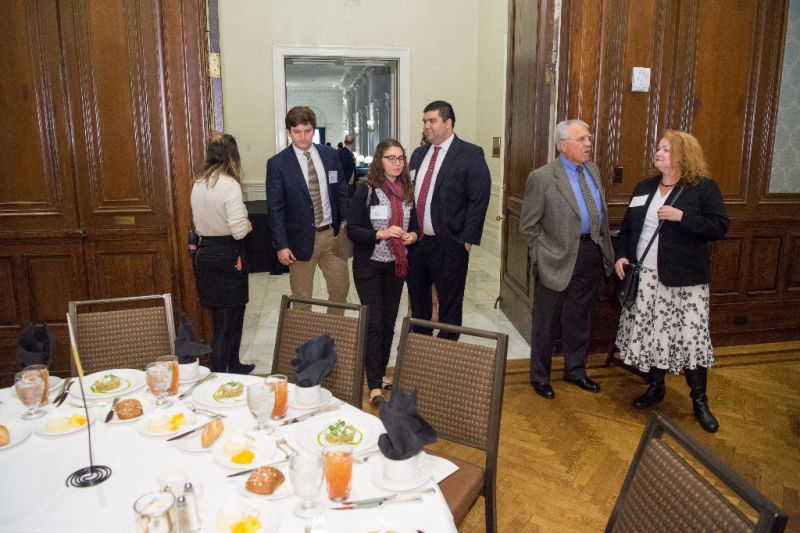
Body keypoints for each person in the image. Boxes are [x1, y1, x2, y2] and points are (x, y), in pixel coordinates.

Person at [615, 130, 728, 432]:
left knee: (690, 339)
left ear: (683, 155)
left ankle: (700, 401)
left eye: (666, 149)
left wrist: (682, 217)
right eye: (658, 148)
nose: (659, 153)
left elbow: (719, 227)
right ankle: (656, 386)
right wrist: (621, 256)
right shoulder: (644, 187)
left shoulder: (702, 188)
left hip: (684, 283)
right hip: (646, 277)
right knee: (654, 334)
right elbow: (627, 229)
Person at [520, 119, 614, 399]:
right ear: (563, 145)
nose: (588, 144)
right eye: (581, 139)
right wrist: (542, 255)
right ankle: (540, 376)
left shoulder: (593, 171)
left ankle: (575, 370)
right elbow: (528, 226)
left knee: (580, 317)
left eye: (589, 138)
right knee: (546, 321)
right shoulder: (542, 177)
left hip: (590, 253)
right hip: (555, 258)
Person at [407, 100, 491, 339]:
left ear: (448, 122)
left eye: (432, 121)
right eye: (424, 121)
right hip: (418, 243)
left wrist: (467, 240)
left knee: (450, 305)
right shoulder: (419, 154)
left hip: (450, 244)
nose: (426, 126)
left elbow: (479, 199)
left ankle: (445, 354)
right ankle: (421, 347)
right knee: (419, 301)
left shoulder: (470, 154)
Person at [347, 139, 419, 404]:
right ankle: (374, 384)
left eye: (400, 158)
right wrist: (381, 233)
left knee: (389, 322)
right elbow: (353, 229)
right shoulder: (366, 190)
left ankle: (379, 372)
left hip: (396, 266)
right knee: (375, 323)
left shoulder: (407, 191)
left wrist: (412, 236)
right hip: (369, 266)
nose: (397, 163)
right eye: (391, 158)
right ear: (380, 160)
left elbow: (416, 227)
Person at [266, 106, 351, 314]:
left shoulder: (330, 156)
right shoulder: (278, 164)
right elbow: (275, 209)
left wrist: (346, 228)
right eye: (297, 132)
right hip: (299, 240)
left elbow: (341, 192)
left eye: (307, 131)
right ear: (289, 132)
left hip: (331, 236)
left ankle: (333, 331)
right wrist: (281, 245)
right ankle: (307, 335)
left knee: (340, 290)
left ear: (313, 130)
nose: (303, 137)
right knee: (302, 297)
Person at [191, 132, 255, 374]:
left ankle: (234, 365)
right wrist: (247, 224)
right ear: (232, 156)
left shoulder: (198, 183)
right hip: (229, 254)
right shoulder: (230, 185)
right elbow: (238, 231)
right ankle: (220, 376)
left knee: (230, 316)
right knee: (226, 324)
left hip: (206, 253)